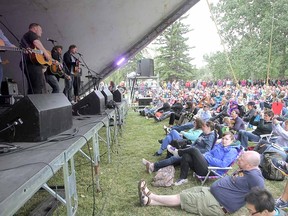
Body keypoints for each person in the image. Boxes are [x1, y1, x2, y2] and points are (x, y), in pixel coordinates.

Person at [138, 151, 265, 215]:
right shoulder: (245, 169)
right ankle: (148, 201)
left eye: (241, 159)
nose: (238, 159)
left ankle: (150, 195)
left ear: (249, 165)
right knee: (184, 193)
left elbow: (262, 200)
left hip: (217, 204)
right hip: (210, 192)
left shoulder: (256, 178)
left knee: (182, 198)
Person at [167, 132, 239, 186]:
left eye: (227, 139)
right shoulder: (219, 146)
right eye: (223, 138)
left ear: (231, 141)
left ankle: (178, 152)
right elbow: (210, 153)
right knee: (186, 155)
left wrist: (206, 157)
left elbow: (223, 164)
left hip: (211, 170)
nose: (224, 140)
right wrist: (204, 155)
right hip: (204, 165)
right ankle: (183, 178)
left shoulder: (232, 151)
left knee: (194, 150)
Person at [20, 23, 52, 94]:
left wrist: (44, 65)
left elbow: (37, 56)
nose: (41, 32)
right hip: (30, 64)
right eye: (40, 30)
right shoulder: (31, 34)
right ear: (35, 28)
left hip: (32, 64)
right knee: (36, 86)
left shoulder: (27, 37)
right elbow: (36, 42)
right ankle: (34, 104)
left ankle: (33, 103)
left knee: (36, 86)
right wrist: (45, 52)